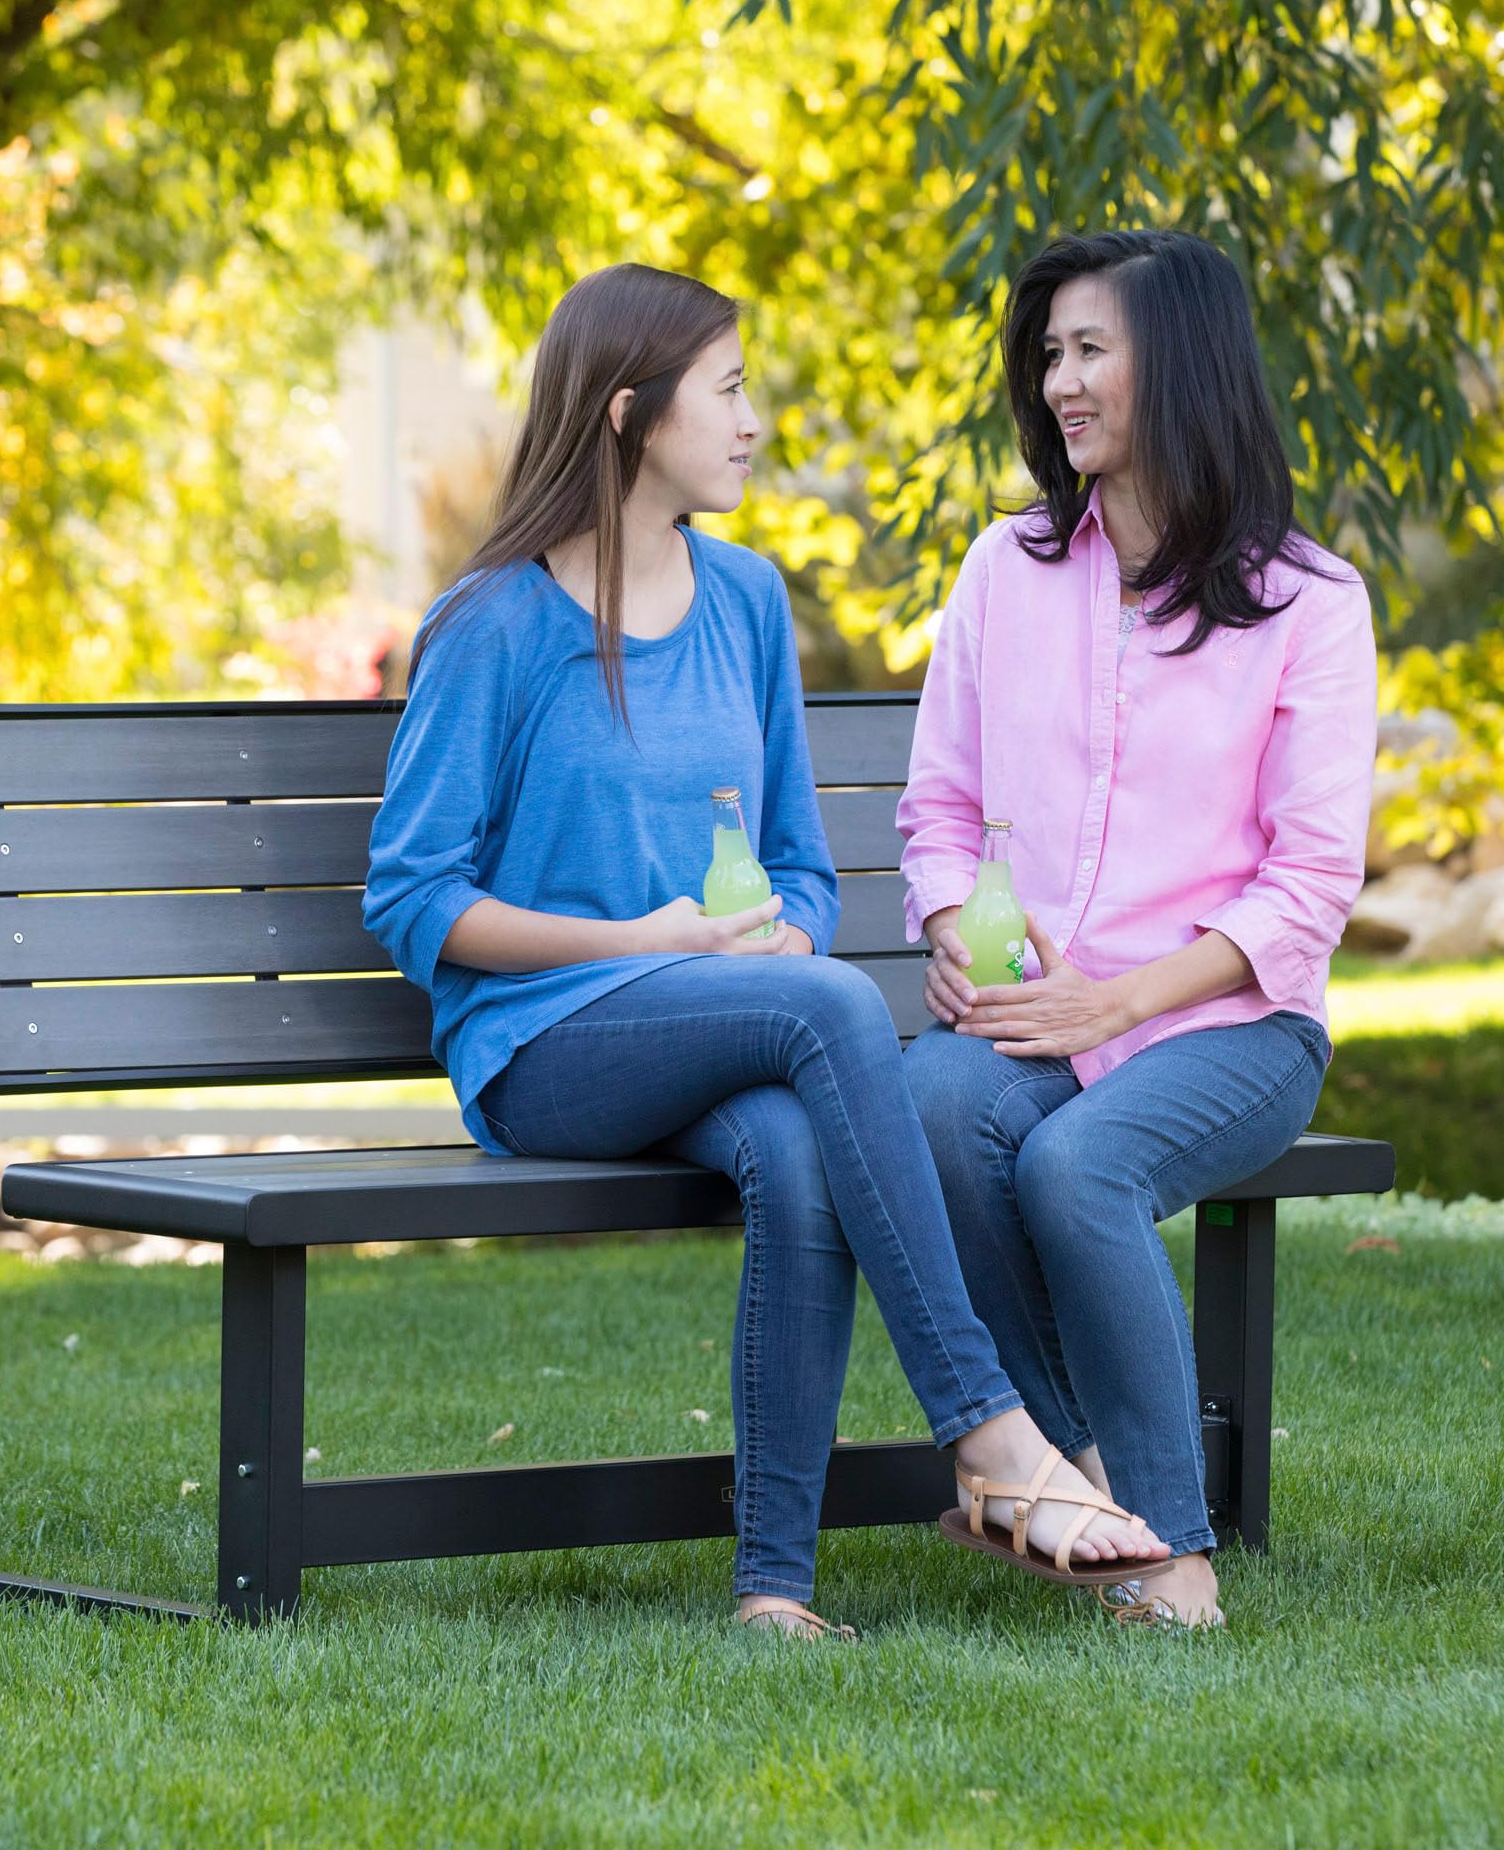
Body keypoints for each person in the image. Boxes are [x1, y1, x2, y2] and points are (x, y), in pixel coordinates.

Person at [364, 263, 1168, 1640]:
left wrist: (781, 927)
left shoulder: (743, 601)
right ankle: (988, 1430)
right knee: (836, 1012)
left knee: (796, 1145)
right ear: (628, 412)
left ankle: (772, 1590)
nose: (753, 421)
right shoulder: (495, 624)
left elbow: (798, 852)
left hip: (715, 1016)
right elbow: (414, 897)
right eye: (728, 391)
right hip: (543, 1046)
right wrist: (648, 939)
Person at [900, 229, 1378, 1629]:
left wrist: (1116, 1005)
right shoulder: (1006, 570)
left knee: (1075, 1166)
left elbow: (1308, 887)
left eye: (1090, 348)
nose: (1060, 380)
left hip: (1234, 1025)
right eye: (1049, 353)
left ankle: (1173, 1559)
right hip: (1036, 1016)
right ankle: (1078, 1479)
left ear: (1180, 362)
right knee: (931, 1097)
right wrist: (949, 924)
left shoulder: (1312, 604)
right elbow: (940, 808)